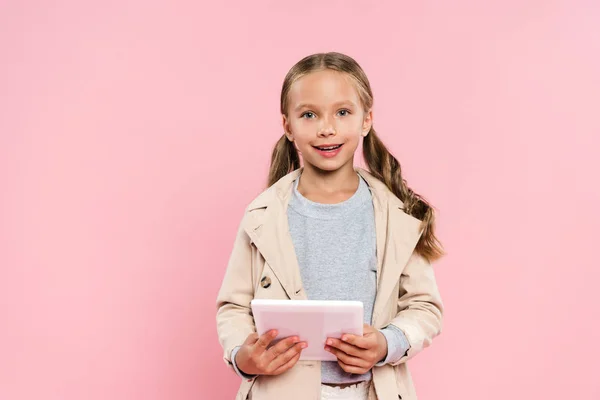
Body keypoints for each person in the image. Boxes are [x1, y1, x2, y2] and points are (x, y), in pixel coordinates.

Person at [216, 52, 444, 400]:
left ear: (366, 120)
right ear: (288, 126)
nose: (326, 127)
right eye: (309, 114)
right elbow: (233, 307)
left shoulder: (398, 214)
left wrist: (387, 342)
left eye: (342, 112)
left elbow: (425, 307)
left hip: (372, 390)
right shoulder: (262, 215)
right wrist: (242, 356)